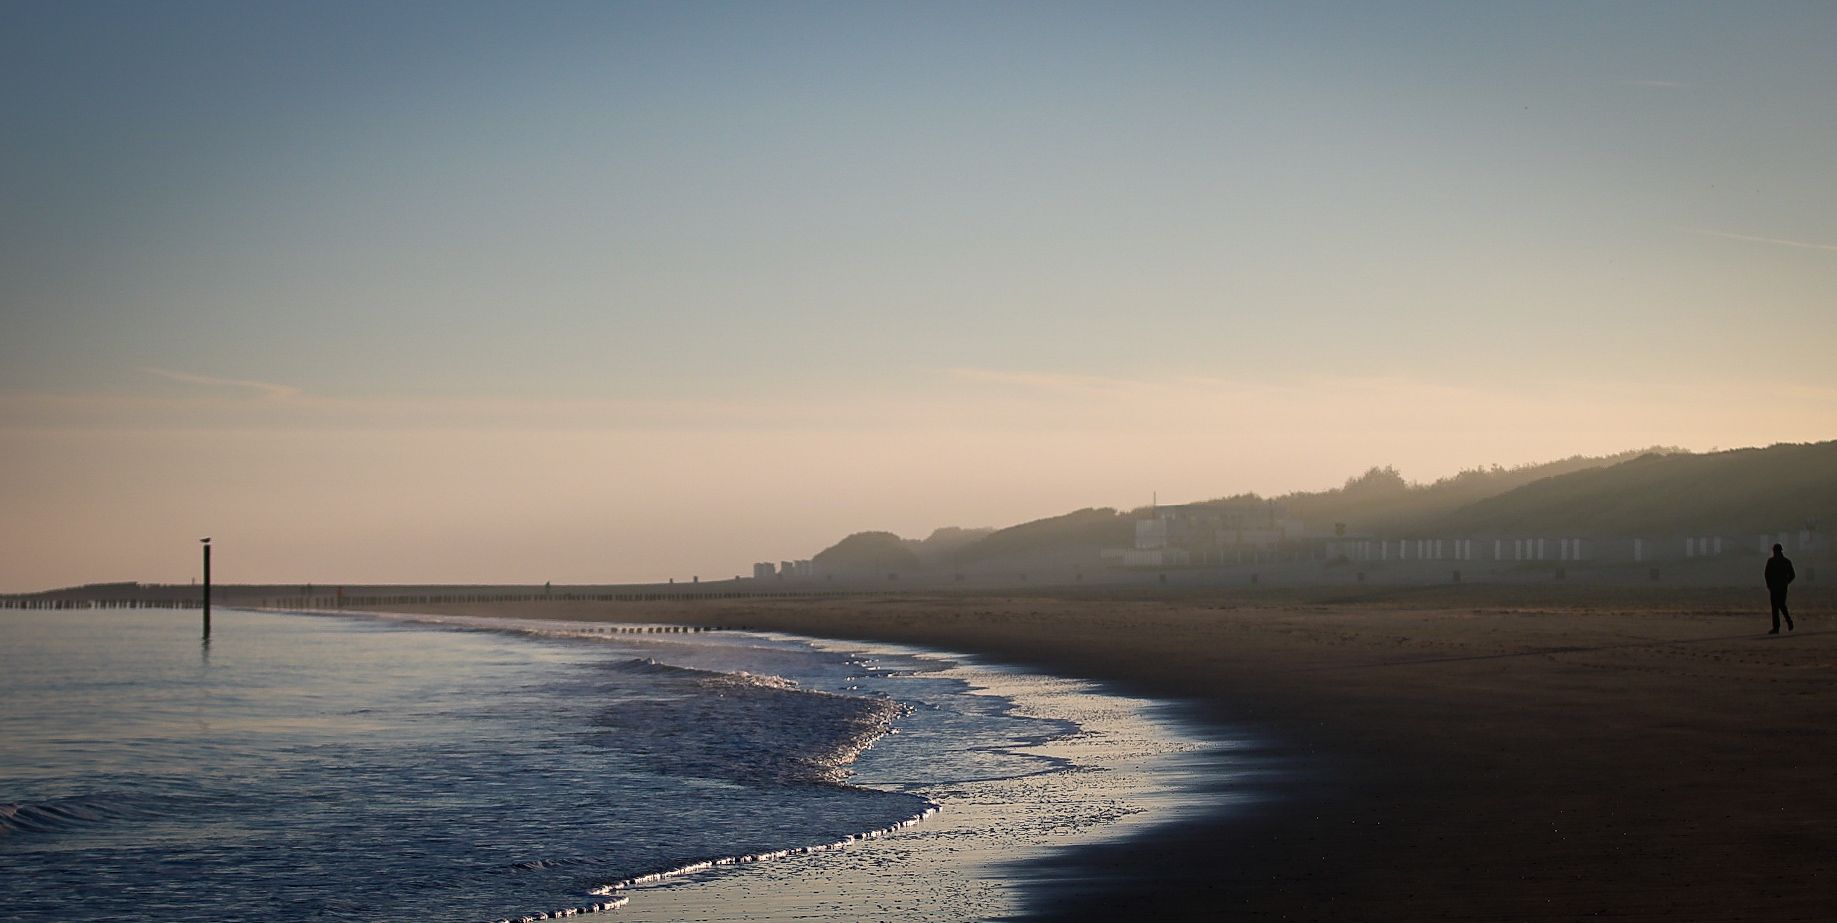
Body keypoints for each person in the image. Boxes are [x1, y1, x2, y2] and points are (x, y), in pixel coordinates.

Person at [1765, 543, 1796, 634]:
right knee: (1781, 606)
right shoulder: (1786, 561)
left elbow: (1767, 574)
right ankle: (1786, 623)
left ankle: (1778, 627)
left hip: (1775, 587)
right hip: (1781, 587)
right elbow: (1792, 575)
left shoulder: (1771, 561)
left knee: (1777, 607)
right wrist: (1786, 582)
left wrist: (1769, 584)